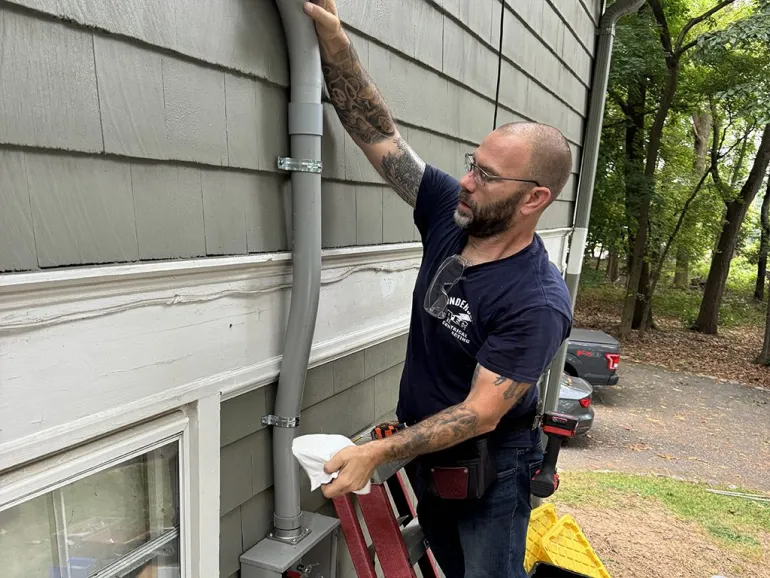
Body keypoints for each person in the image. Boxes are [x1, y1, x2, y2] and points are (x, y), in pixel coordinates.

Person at [303, 2, 573, 576]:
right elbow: (379, 133)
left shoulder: (536, 301)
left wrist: (378, 452)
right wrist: (334, 38)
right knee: (447, 564)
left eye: (487, 176)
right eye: (471, 164)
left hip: (493, 466)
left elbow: (478, 413)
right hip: (431, 460)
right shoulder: (452, 217)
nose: (468, 182)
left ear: (533, 199)